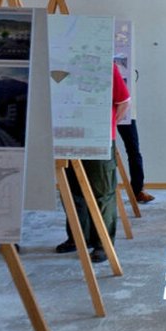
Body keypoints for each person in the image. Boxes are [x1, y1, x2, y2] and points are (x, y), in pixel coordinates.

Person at [57, 62, 131, 261]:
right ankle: (78, 237)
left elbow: (124, 101)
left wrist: (107, 127)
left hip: (98, 138)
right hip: (67, 137)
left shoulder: (105, 65)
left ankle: (102, 244)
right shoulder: (59, 64)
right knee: (71, 191)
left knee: (102, 192)